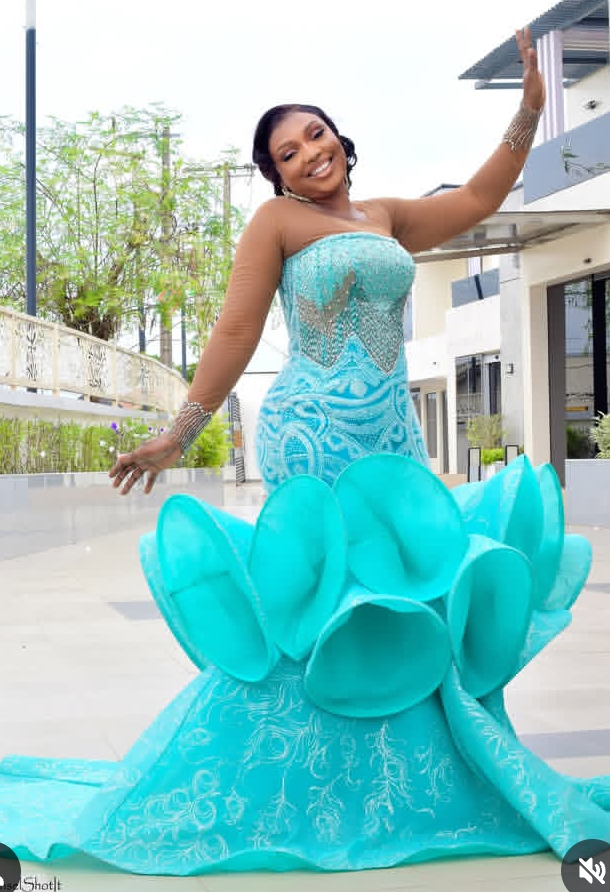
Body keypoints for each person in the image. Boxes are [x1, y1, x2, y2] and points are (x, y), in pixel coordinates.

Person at [1, 27, 609, 876]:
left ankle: (401, 787)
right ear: (278, 175)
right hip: (312, 428)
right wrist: (179, 433)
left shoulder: (385, 216)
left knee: (412, 592)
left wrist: (530, 114)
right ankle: (297, 789)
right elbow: (237, 329)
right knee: (327, 602)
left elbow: (477, 199)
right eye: (287, 153)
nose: (308, 154)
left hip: (393, 438)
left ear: (339, 138)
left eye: (314, 135)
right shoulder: (278, 222)